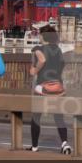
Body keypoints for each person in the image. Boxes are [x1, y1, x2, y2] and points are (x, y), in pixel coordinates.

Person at [28, 25, 70, 154]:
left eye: (40, 35)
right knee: (59, 118)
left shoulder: (38, 49)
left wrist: (35, 70)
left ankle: (34, 147)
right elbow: (62, 65)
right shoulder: (58, 50)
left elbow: (42, 60)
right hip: (58, 88)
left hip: (43, 89)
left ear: (43, 36)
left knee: (36, 117)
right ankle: (65, 144)